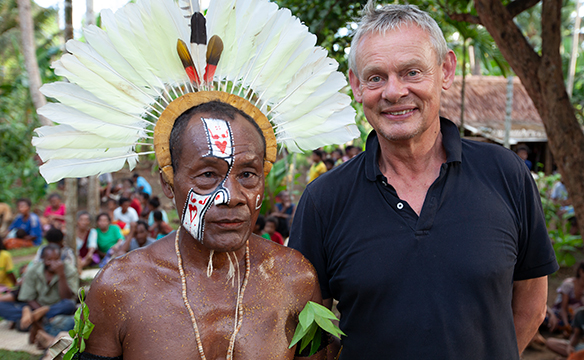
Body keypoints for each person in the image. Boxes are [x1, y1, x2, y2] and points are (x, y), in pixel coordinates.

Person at [32, 0, 359, 357]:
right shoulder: (120, 289)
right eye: (207, 175)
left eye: (247, 174)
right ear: (169, 184)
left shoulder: (295, 281)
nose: (230, 195)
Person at [289, 3, 558, 358]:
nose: (394, 91)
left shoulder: (506, 174)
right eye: (375, 77)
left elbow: (531, 308)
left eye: (412, 72)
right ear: (356, 85)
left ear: (445, 71)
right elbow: (310, 333)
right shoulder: (324, 199)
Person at [0, 244, 77, 332]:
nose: (53, 263)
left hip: (58, 307)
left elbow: (67, 297)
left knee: (69, 305)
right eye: (49, 260)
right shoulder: (32, 271)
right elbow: (29, 298)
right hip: (35, 307)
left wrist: (61, 275)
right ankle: (39, 319)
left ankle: (32, 320)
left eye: (56, 259)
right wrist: (39, 311)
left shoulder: (69, 270)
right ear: (42, 259)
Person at [552, 261, 584, 329]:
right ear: (581, 271)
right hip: (561, 314)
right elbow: (563, 308)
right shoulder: (569, 284)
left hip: (575, 315)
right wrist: (567, 325)